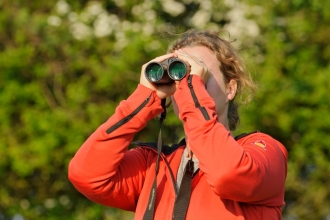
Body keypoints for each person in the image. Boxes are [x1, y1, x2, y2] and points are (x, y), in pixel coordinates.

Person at [68, 29, 288, 220]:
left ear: (230, 89)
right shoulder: (154, 165)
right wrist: (144, 99)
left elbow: (227, 175)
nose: (186, 85)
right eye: (180, 77)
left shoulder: (263, 151)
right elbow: (86, 175)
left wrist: (191, 88)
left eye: (201, 76)